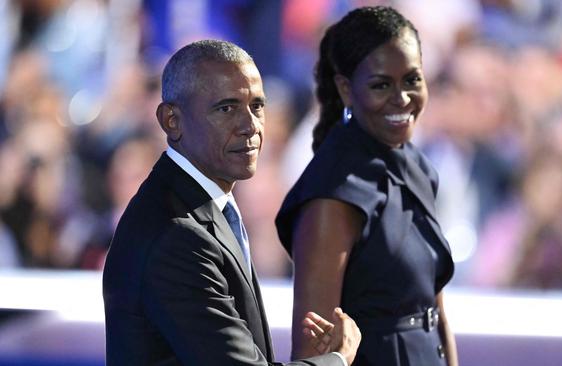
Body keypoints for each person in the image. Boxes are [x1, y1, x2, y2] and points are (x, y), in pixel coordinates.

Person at [102, 40, 361, 366]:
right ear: (172, 120)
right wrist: (338, 359)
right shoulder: (177, 236)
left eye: (257, 106)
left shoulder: (203, 207)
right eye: (226, 108)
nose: (250, 125)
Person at [276, 6, 457, 366]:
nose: (402, 98)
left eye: (412, 79)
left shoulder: (417, 166)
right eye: (380, 84)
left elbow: (433, 308)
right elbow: (314, 351)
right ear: (346, 89)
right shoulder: (331, 194)